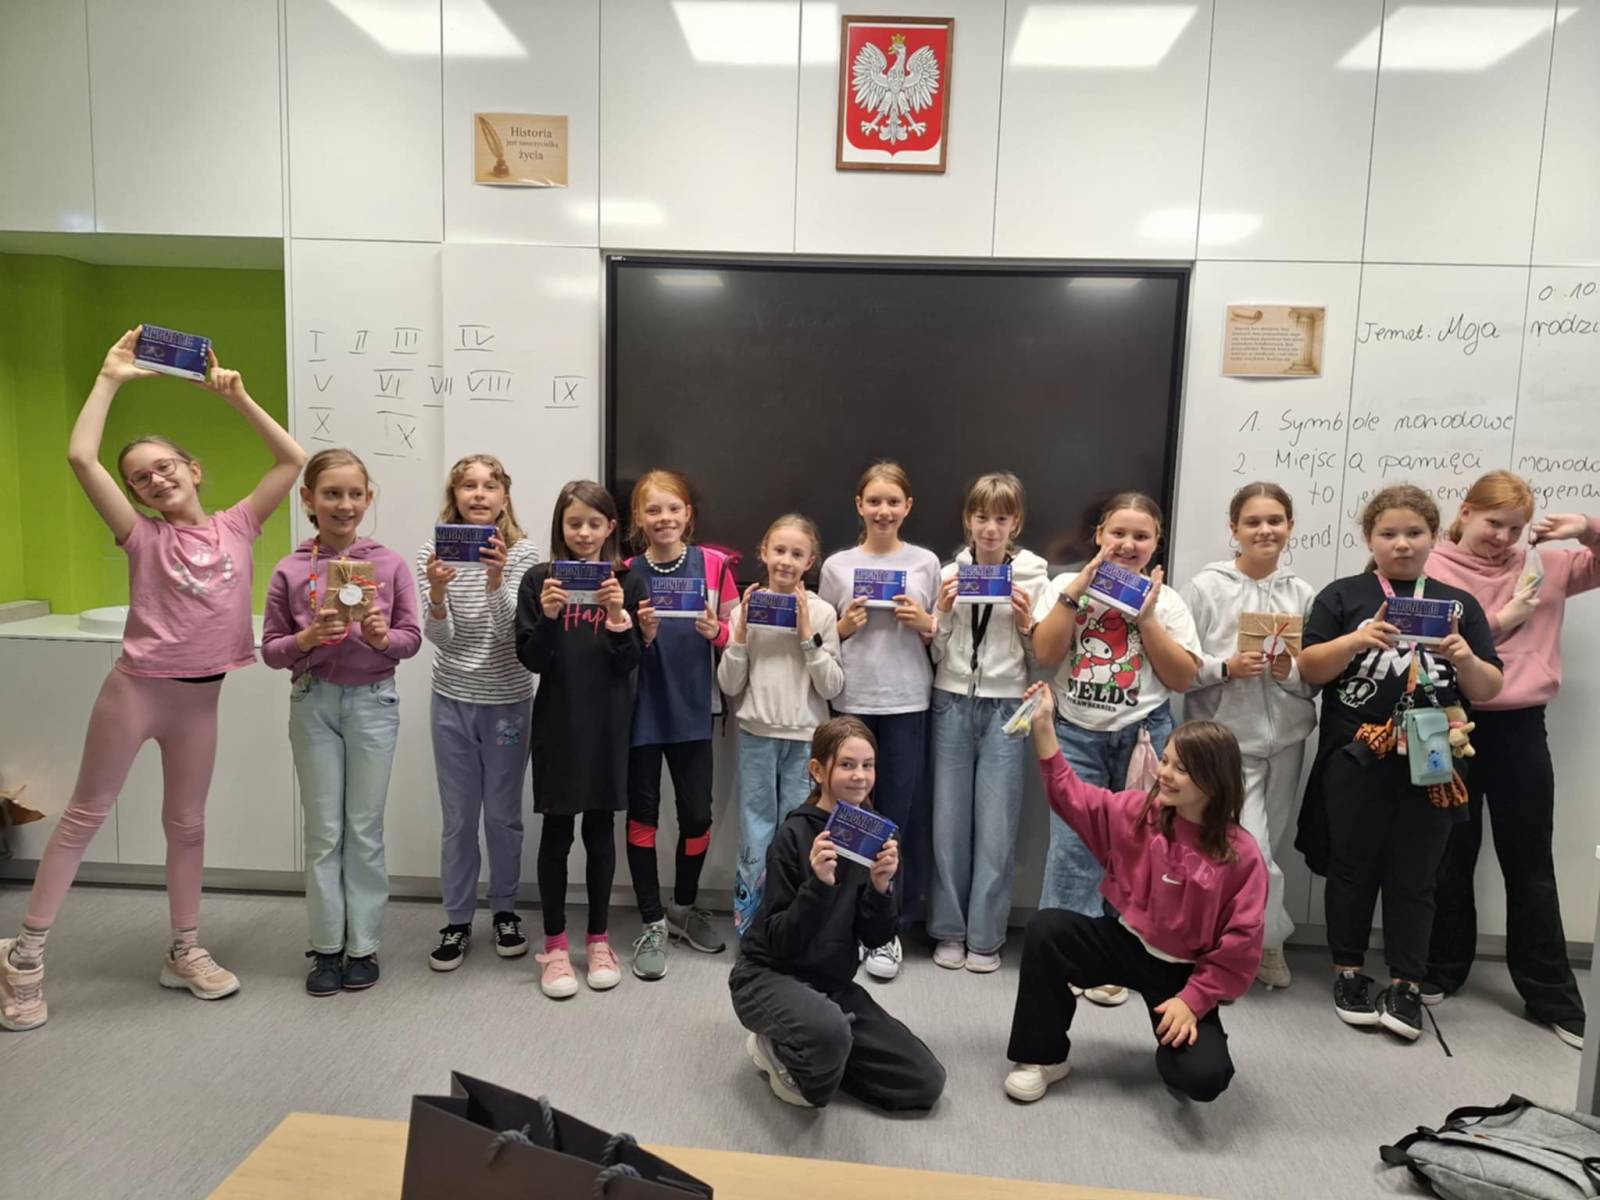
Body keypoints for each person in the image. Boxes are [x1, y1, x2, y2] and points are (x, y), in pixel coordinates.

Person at [1, 330, 304, 1032]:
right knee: (84, 816)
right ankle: (24, 956)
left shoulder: (239, 525)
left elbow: (292, 460)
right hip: (137, 692)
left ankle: (184, 950)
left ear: (193, 469)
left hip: (200, 702)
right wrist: (109, 377)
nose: (155, 480)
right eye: (141, 478)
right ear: (135, 494)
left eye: (164, 466)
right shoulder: (142, 536)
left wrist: (237, 398)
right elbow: (81, 457)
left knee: (187, 826)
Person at [1296, 484, 1502, 1042]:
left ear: (1435, 536)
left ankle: (1407, 983)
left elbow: (1488, 686)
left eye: (1414, 532)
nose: (1402, 544)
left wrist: (1464, 656)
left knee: (1418, 875)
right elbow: (1310, 669)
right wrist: (1356, 641)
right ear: (1370, 538)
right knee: (1351, 867)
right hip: (1356, 754)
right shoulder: (1344, 596)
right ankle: (1348, 973)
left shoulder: (1458, 605)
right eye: (1388, 534)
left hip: (1435, 755)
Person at [1004, 683, 1264, 1104]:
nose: (1164, 773)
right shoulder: (1141, 812)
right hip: (1125, 942)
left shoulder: (1242, 855)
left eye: (1181, 769)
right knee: (1048, 930)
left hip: (1184, 972)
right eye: (1166, 760)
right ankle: (1042, 1057)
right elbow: (1071, 796)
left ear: (1213, 782)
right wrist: (1044, 725)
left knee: (1203, 1078)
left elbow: (1241, 946)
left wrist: (1193, 1001)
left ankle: (1176, 1050)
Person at [1422, 471, 1592, 1050]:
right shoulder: (1432, 566)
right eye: (1493, 523)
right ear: (1465, 512)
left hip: (1521, 726)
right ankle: (1441, 968)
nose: (1503, 537)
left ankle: (1551, 995)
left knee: (1529, 860)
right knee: (1450, 851)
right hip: (1450, 719)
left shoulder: (1546, 564)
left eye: (1515, 528)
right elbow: (1424, 642)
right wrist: (1501, 620)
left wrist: (1586, 527)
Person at [1031, 492, 1202, 1007]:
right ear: (1099, 535)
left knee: (1138, 849)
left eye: (1141, 536)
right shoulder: (1064, 585)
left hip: (1143, 736)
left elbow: (1182, 678)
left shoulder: (1168, 602)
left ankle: (1117, 959)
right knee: (1073, 848)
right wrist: (1076, 592)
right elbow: (1045, 654)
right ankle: (1067, 957)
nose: (1128, 544)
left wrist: (1146, 618)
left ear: (1156, 543)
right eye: (1118, 533)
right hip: (1075, 732)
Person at [262, 449, 421, 996]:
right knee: (324, 831)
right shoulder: (290, 569)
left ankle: (364, 945)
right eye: (331, 493)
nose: (344, 504)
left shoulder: (389, 565)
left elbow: (410, 639)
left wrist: (380, 637)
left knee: (364, 829)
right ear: (308, 498)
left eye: (355, 494)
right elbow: (271, 650)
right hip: (314, 703)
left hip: (374, 703)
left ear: (368, 499)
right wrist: (307, 639)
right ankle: (327, 947)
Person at [729, 717, 946, 1111]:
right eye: (847, 765)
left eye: (868, 765)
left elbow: (876, 937)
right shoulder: (794, 835)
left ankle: (823, 1045)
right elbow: (780, 941)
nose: (860, 776)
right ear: (817, 770)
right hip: (767, 976)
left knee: (925, 1081)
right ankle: (774, 1045)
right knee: (822, 1061)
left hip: (829, 984)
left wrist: (881, 888)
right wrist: (818, 885)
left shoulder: (882, 837)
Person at [1181, 482, 1317, 990]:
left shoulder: (1302, 593)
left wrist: (1289, 673)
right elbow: (1180, 665)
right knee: (1248, 851)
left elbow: (1313, 676)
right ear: (1233, 529)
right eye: (1253, 522)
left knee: (1266, 851)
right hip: (1226, 744)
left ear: (1290, 526)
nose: (1265, 530)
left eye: (1275, 520)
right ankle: (1264, 939)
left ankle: (1252, 942)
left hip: (1286, 742)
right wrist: (1225, 667)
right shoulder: (1205, 587)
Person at [516, 481, 647, 999]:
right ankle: (554, 946)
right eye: (574, 523)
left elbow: (630, 663)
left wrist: (617, 618)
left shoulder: (627, 583)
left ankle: (597, 940)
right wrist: (549, 617)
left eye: (594, 523)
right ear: (561, 527)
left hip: (609, 724)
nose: (584, 533)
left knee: (599, 831)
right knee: (556, 833)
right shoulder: (539, 580)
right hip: (557, 723)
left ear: (611, 527)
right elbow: (532, 659)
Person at [417, 455, 540, 971]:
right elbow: (440, 638)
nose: (479, 494)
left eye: (490, 486)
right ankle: (458, 918)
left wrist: (495, 579)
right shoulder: (434, 552)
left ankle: (505, 910)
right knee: (459, 818)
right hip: (452, 700)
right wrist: (437, 593)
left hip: (507, 702)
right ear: (455, 495)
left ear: (504, 498)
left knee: (503, 816)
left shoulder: (523, 553)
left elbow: (515, 634)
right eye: (468, 485)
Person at [818, 461, 940, 981]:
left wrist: (926, 624)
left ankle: (887, 927)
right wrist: (843, 627)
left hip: (907, 700)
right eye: (874, 501)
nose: (883, 511)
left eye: (893, 502)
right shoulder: (837, 566)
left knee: (896, 816)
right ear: (859, 506)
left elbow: (942, 632)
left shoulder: (927, 562)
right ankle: (844, 920)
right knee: (847, 815)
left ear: (907, 506)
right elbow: (819, 636)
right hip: (853, 700)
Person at [927, 472, 1049, 973]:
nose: (991, 529)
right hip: (951, 700)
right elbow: (935, 651)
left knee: (997, 825)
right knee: (948, 823)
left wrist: (1026, 625)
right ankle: (949, 930)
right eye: (982, 517)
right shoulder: (948, 573)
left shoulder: (1035, 578)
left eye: (1001, 518)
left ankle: (985, 936)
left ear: (1015, 522)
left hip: (1007, 707)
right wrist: (943, 614)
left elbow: (1040, 658)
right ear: (968, 520)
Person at [625, 470, 738, 979]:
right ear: (638, 517)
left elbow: (739, 635)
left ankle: (683, 908)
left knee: (697, 818)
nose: (664, 518)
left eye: (673, 508)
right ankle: (651, 920)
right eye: (653, 510)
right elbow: (616, 646)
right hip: (642, 712)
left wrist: (718, 634)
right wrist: (642, 636)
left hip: (695, 710)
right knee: (643, 817)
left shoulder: (714, 565)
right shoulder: (627, 571)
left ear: (688, 513)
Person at [717, 514, 843, 941]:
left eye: (797, 554)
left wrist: (808, 635)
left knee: (799, 833)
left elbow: (832, 686)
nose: (787, 561)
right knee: (756, 831)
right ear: (764, 553)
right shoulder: (746, 609)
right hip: (757, 735)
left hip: (807, 741)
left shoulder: (822, 612)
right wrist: (739, 632)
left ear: (810, 561)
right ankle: (752, 929)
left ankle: (794, 925)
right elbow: (729, 684)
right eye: (779, 551)